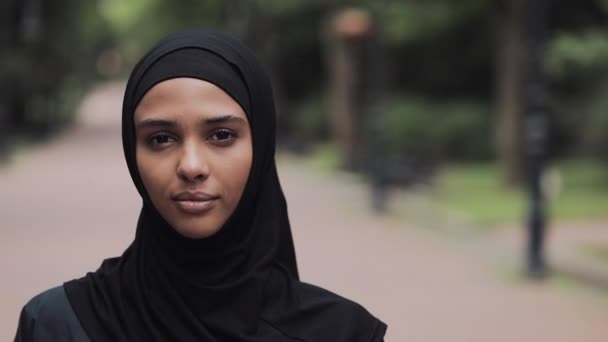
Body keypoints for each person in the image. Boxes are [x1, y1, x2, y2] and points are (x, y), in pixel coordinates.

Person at [14, 28, 387, 342]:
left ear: (261, 144)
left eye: (221, 135)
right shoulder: (57, 324)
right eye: (161, 138)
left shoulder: (341, 333)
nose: (191, 166)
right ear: (133, 151)